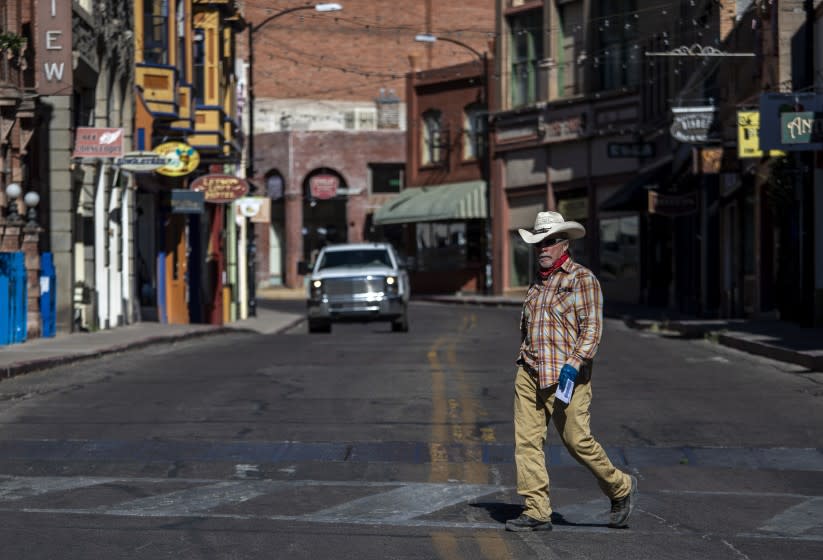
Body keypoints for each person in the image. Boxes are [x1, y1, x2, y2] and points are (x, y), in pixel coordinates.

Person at [505, 210, 637, 532]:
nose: (543, 249)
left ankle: (620, 487)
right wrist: (525, 359)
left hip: (568, 377)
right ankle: (536, 510)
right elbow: (529, 328)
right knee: (527, 443)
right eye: (538, 244)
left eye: (549, 242)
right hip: (530, 372)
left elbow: (591, 329)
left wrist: (575, 362)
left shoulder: (582, 279)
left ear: (564, 244)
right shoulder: (537, 284)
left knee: (577, 441)